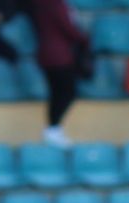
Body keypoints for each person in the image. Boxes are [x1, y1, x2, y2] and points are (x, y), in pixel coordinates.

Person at [30, 0, 88, 147]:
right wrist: (85, 38)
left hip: (46, 53)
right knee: (67, 92)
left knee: (57, 93)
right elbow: (67, 28)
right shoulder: (54, 4)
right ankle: (53, 128)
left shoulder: (40, 4)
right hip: (59, 55)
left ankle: (53, 129)